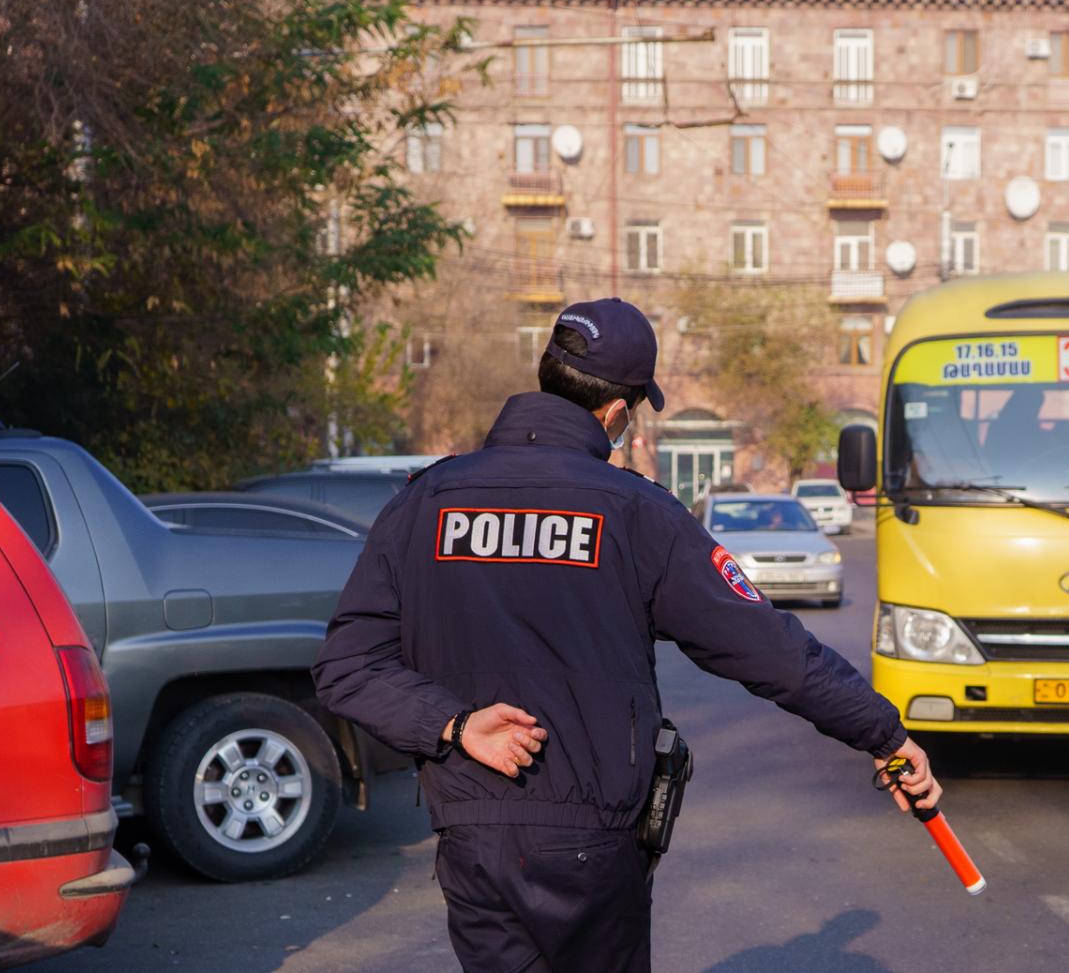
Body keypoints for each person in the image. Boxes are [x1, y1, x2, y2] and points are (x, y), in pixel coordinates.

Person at [311, 298, 939, 973]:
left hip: (473, 834)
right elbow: (770, 646)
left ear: (550, 372)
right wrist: (882, 733)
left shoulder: (426, 500)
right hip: (592, 842)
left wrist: (457, 725)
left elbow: (346, 667)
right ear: (617, 411)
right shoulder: (635, 511)